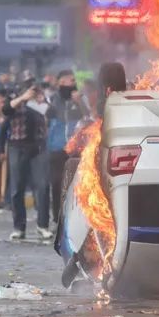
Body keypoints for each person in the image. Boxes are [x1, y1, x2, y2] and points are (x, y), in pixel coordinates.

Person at [0, 85, 52, 240]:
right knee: (16, 188)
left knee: (42, 186)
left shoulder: (42, 100)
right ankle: (19, 227)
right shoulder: (15, 100)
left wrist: (43, 102)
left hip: (39, 146)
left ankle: (42, 226)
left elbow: (53, 113)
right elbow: (6, 110)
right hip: (17, 147)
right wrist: (23, 98)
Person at [46, 70, 89, 227]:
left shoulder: (79, 98)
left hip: (74, 148)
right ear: (61, 82)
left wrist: (79, 102)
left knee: (73, 183)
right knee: (57, 183)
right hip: (56, 147)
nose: (74, 83)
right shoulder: (52, 98)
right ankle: (57, 218)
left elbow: (88, 117)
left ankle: (72, 218)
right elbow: (46, 117)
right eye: (71, 80)